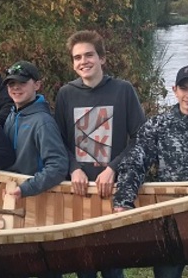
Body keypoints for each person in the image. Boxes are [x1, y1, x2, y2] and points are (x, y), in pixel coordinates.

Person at [113, 65, 188, 278]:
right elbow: (135, 162)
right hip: (169, 221)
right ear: (174, 90)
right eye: (184, 88)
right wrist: (123, 202)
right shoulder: (158, 125)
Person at [54, 30, 144, 278]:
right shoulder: (66, 94)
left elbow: (141, 137)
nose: (83, 61)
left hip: (112, 189)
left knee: (113, 264)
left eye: (89, 55)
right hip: (80, 190)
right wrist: (73, 168)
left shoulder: (123, 90)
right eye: (77, 57)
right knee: (85, 264)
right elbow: (58, 141)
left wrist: (113, 167)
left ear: (102, 58)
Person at [2, 61, 68, 198]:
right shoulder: (10, 116)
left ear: (37, 85)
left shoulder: (43, 122)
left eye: (22, 83)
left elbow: (58, 167)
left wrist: (26, 188)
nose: (16, 88)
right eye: (11, 84)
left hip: (37, 198)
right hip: (11, 192)